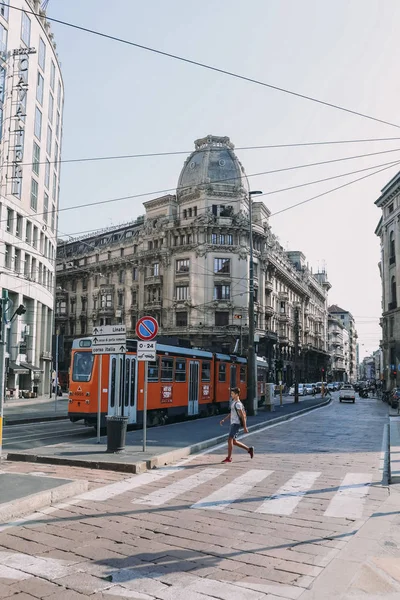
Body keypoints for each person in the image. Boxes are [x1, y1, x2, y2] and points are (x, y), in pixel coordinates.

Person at [219, 387, 254, 463]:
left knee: (229, 440)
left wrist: (245, 427)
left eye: (232, 394)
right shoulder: (234, 403)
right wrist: (224, 419)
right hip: (233, 423)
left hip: (236, 424)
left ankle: (229, 458)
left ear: (237, 394)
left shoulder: (238, 404)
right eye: (231, 393)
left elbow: (242, 416)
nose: (231, 395)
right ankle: (249, 449)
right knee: (233, 441)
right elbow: (232, 413)